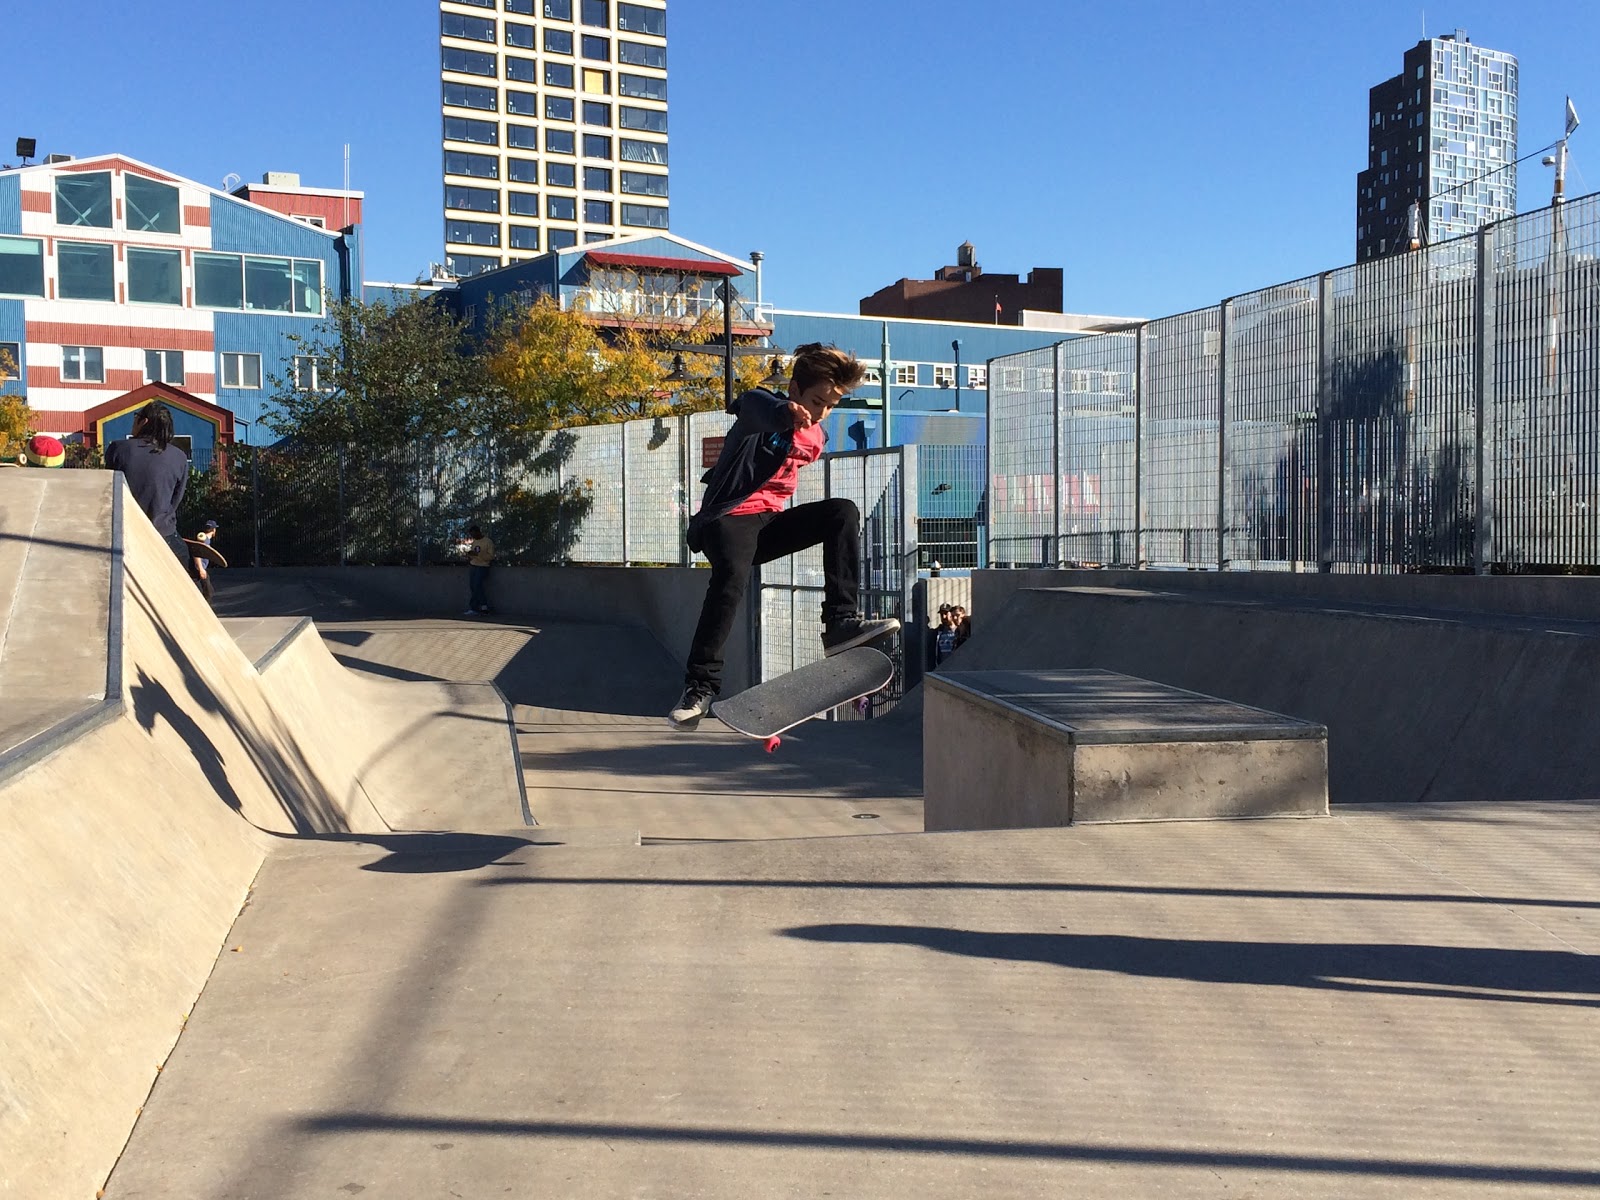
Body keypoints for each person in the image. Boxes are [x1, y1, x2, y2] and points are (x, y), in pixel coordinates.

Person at [669, 343, 900, 729]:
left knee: (841, 512)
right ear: (794, 390)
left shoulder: (818, 436)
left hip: (769, 525)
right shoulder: (763, 410)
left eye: (831, 404)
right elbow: (753, 405)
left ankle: (841, 622)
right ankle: (700, 687)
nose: (821, 412)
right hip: (726, 519)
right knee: (731, 581)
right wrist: (783, 412)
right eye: (815, 401)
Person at [104, 402, 189, 567]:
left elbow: (110, 489)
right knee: (193, 578)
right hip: (164, 534)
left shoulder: (118, 449)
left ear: (144, 422)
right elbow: (176, 499)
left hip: (125, 532)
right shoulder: (179, 456)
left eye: (136, 417)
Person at [462, 524, 495, 616]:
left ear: (478, 532)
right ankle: (474, 608)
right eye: (472, 535)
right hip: (474, 565)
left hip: (483, 566)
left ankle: (484, 606)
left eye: (474, 534)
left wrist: (478, 555)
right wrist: (469, 555)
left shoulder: (488, 542)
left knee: (477, 585)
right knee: (473, 586)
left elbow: (491, 556)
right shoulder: (475, 542)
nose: (473, 537)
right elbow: (474, 553)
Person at [190, 519, 219, 604]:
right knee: (208, 592)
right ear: (214, 530)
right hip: (198, 570)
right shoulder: (204, 539)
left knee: (208, 591)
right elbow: (197, 554)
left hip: (199, 569)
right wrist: (201, 569)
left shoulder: (205, 539)